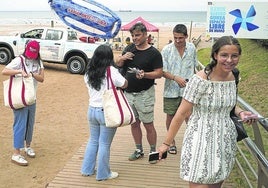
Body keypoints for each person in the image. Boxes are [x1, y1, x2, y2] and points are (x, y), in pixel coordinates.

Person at [158, 36, 258, 187]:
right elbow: (181, 113)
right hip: (201, 139)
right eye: (224, 55)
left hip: (225, 139)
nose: (229, 60)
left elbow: (227, 104)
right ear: (215, 55)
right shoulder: (200, 80)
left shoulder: (235, 76)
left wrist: (241, 113)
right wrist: (166, 143)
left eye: (234, 56)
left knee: (217, 183)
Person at [115, 22, 163, 163]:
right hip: (128, 94)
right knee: (134, 124)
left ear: (146, 35)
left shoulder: (154, 53)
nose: (134, 38)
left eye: (137, 35)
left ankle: (153, 151)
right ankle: (139, 150)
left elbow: (159, 73)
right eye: (132, 35)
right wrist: (122, 58)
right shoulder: (129, 48)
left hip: (145, 94)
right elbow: (118, 64)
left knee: (148, 124)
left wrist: (145, 75)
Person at [81, 45, 128, 180]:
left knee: (93, 140)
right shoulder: (111, 71)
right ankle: (103, 173)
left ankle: (87, 169)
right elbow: (124, 84)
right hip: (106, 111)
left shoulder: (88, 71)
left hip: (91, 110)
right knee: (104, 144)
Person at [2, 40, 44, 166]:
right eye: (30, 53)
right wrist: (20, 72)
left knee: (29, 124)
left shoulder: (39, 62)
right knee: (20, 125)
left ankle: (28, 146)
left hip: (31, 98)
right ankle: (16, 153)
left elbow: (42, 79)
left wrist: (32, 74)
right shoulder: (19, 60)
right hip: (20, 98)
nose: (32, 56)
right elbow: (4, 71)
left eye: (34, 54)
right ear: (26, 49)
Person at [161, 24, 198, 155]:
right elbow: (162, 71)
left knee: (190, 117)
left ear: (186, 36)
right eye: (175, 37)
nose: (177, 40)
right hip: (171, 90)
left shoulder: (192, 48)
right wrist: (176, 78)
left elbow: (194, 68)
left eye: (180, 38)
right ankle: (171, 142)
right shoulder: (166, 50)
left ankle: (192, 142)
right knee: (170, 116)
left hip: (188, 91)